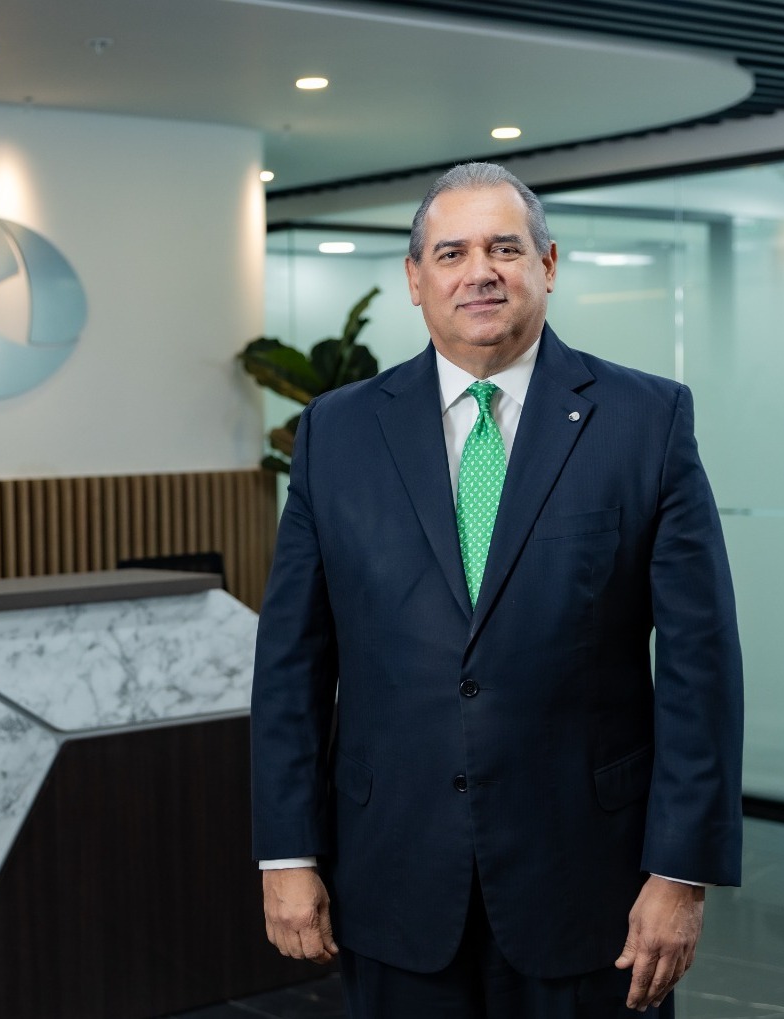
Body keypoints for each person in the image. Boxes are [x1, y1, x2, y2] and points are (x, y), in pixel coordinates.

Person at [249, 161, 743, 1017]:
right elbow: (292, 660)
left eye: (504, 248)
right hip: (393, 875)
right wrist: (287, 852)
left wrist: (680, 872)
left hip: (592, 885)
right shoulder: (337, 431)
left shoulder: (647, 420)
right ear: (416, 278)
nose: (479, 272)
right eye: (451, 253)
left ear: (547, 264)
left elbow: (701, 667)